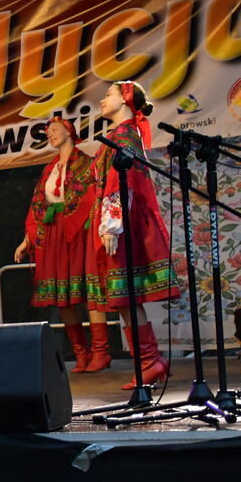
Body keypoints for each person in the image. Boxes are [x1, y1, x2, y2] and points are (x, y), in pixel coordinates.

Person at [91, 81, 179, 388]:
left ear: (126, 99)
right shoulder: (117, 135)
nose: (102, 100)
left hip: (121, 222)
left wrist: (112, 223)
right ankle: (150, 361)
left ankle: (150, 361)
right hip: (115, 220)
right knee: (123, 298)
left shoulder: (126, 133)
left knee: (126, 295)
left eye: (108, 95)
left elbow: (120, 180)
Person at [12, 117, 110, 372]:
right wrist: (27, 238)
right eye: (48, 132)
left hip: (79, 231)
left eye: (55, 130)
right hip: (54, 231)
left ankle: (101, 352)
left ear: (69, 131)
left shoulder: (86, 163)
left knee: (90, 291)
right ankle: (81, 352)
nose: (50, 134)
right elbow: (37, 203)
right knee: (62, 296)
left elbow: (95, 195)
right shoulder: (50, 168)